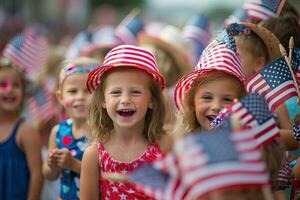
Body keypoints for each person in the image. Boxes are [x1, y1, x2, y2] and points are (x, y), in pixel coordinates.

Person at [80, 45, 168, 200]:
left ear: (152, 100)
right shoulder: (94, 155)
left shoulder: (164, 147)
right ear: (102, 100)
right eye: (115, 92)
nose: (125, 100)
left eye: (135, 92)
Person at [42, 57, 99, 200]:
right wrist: (52, 165)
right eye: (73, 91)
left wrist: (73, 164)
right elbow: (49, 175)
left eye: (87, 91)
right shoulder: (58, 132)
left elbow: (105, 177)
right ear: (60, 97)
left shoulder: (102, 133)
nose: (80, 97)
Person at [173, 29, 246, 137]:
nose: (216, 107)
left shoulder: (246, 147)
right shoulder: (182, 145)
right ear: (192, 102)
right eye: (207, 97)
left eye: (227, 99)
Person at [0, 57, 43, 200]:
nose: (10, 90)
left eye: (16, 85)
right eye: (3, 85)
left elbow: (37, 175)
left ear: (24, 93)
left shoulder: (26, 131)